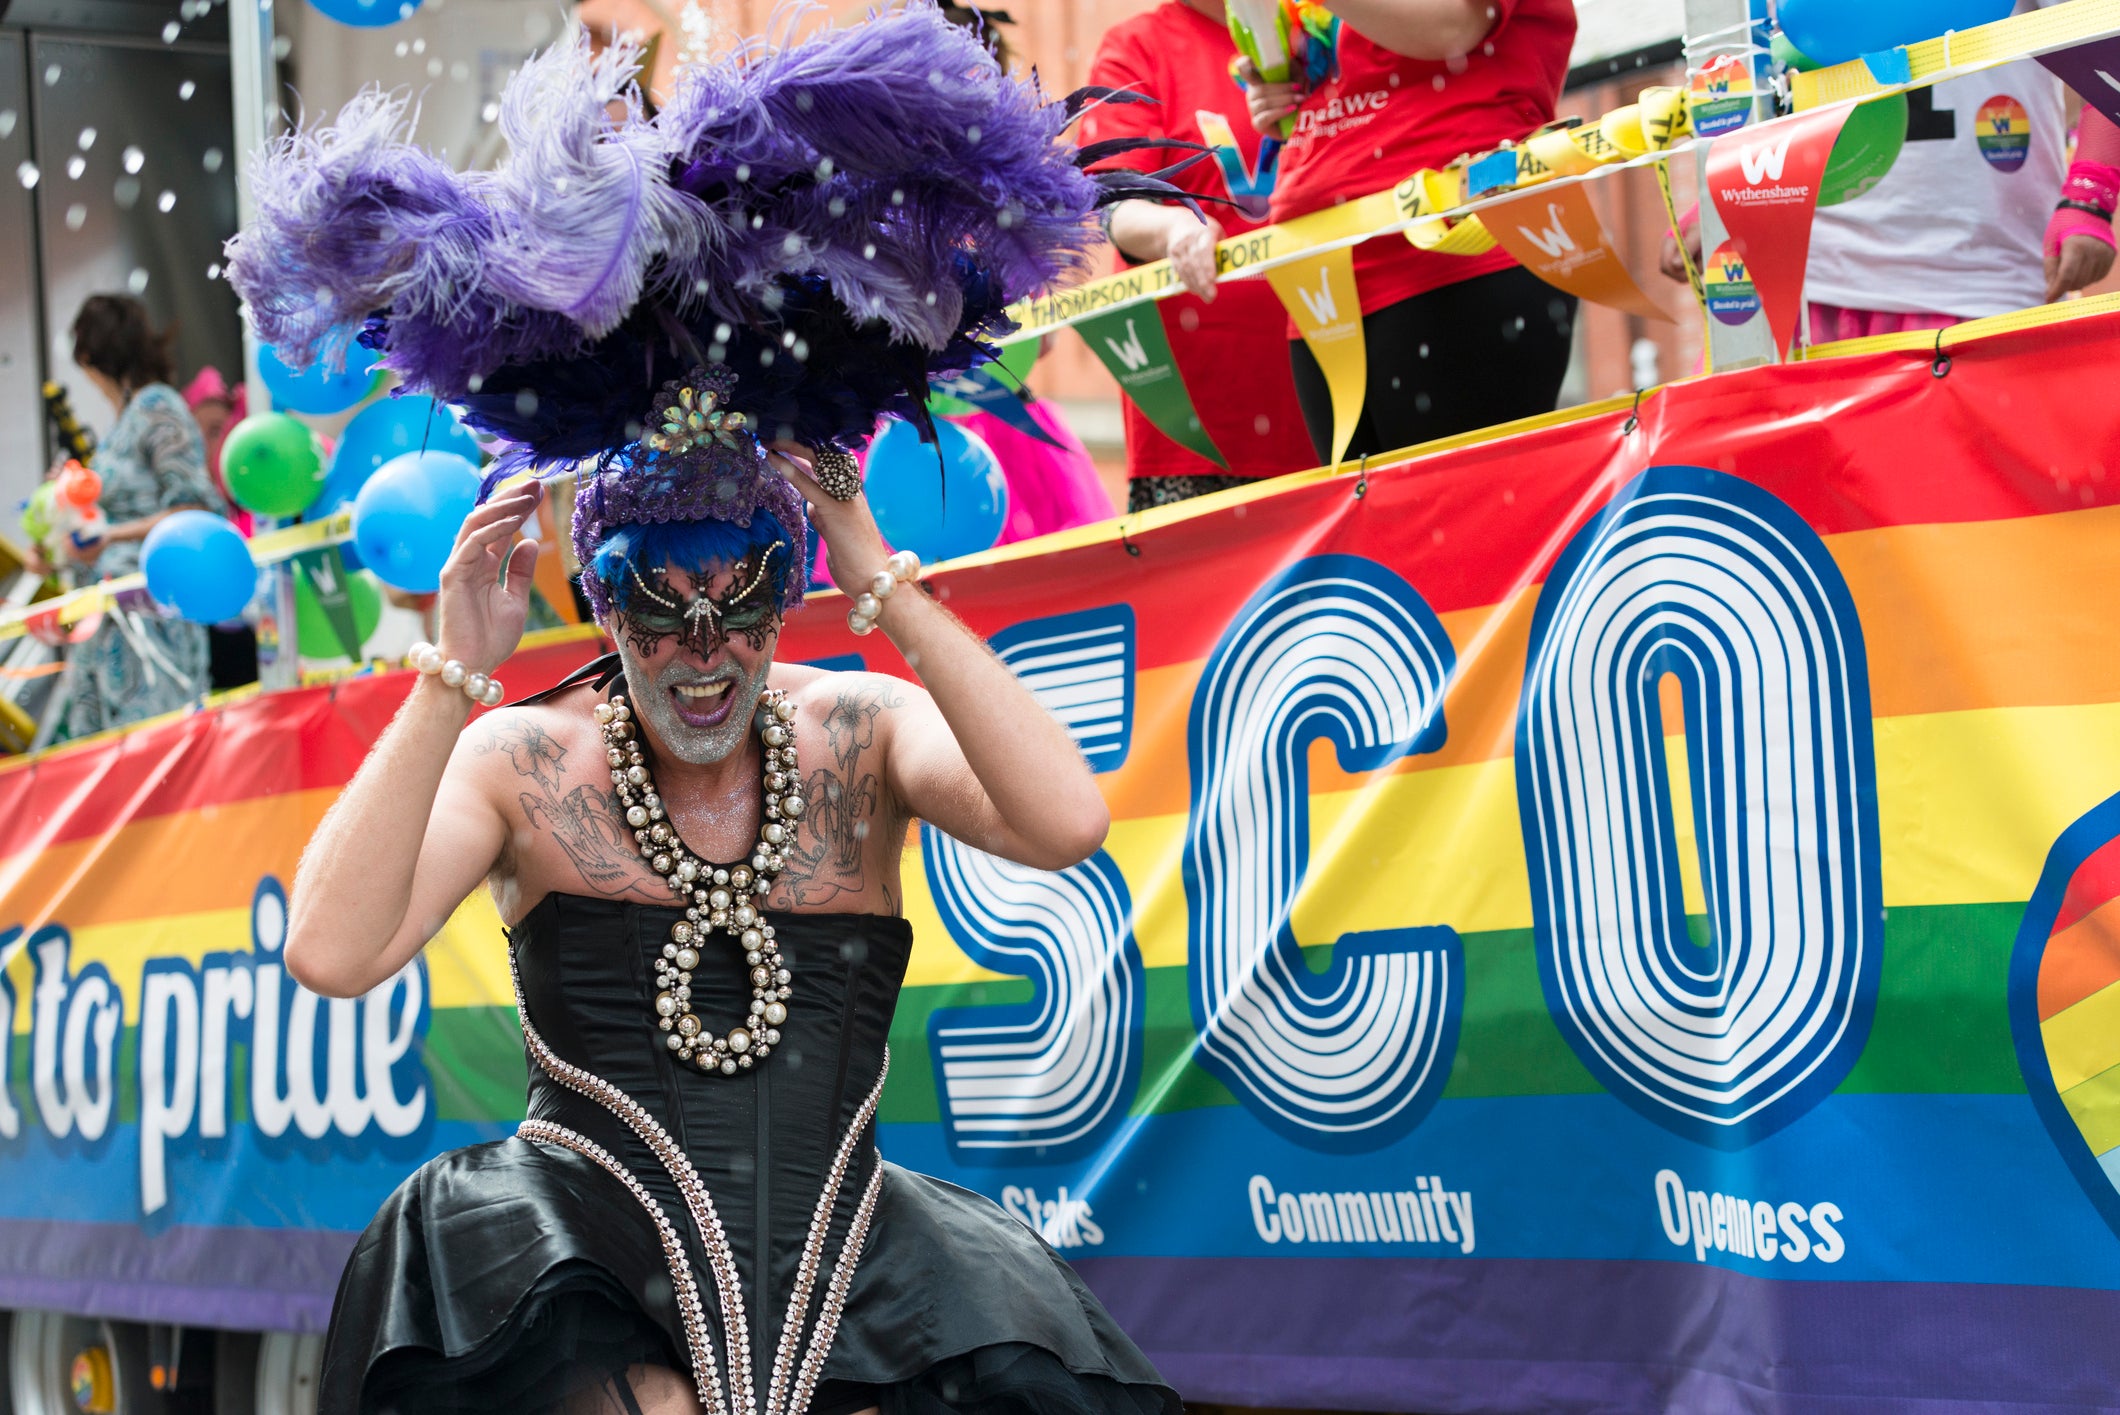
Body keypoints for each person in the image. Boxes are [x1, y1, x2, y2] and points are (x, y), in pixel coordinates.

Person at [228, 10, 1185, 1414]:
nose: (700, 646)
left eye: (741, 598)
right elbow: (329, 948)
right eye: (656, 599)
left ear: (784, 591)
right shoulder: (528, 757)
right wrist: (452, 670)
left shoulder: (852, 732)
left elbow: (1068, 818)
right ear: (601, 603)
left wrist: (888, 583)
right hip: (593, 1275)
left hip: (856, 1266)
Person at [1241, 0, 1579, 463]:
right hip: (1325, 285)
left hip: (1454, 255)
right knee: (1371, 531)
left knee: (1468, 514)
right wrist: (1284, 90)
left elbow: (1451, 25)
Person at [1661, 1, 2120, 341]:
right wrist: (1719, 196)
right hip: (1804, 281)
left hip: (1985, 283)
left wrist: (2091, 192)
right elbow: (1746, 55)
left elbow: (2106, 32)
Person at [1083, 0, 1320, 509]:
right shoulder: (1141, 47)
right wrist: (1174, 228)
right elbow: (1112, 204)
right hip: (1197, 434)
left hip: (1340, 411)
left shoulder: (1324, 28)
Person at [40, 295, 226, 738]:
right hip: (106, 624)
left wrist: (110, 535)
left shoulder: (155, 406)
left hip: (150, 621)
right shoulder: (122, 424)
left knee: (150, 751)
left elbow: (196, 507)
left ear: (89, 358)